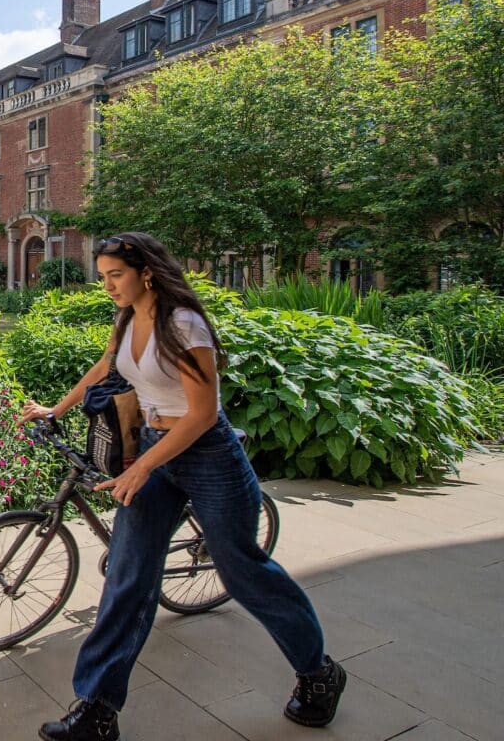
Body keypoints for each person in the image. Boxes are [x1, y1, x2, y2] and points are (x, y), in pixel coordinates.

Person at [21, 233, 344, 741]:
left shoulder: (184, 324)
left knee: (243, 571)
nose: (107, 286)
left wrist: (141, 466)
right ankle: (97, 710)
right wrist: (55, 409)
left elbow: (201, 414)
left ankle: (319, 672)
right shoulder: (127, 317)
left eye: (116, 275)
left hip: (208, 454)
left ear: (146, 271)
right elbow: (106, 367)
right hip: (155, 446)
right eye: (102, 276)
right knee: (128, 575)